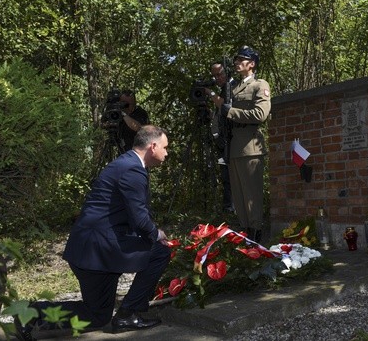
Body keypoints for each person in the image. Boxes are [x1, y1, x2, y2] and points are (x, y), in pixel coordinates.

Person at [15, 125, 171, 340]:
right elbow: (140, 218)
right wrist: (156, 234)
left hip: (92, 248)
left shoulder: (125, 162)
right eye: (165, 147)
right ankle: (128, 313)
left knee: (97, 315)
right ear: (152, 146)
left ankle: (32, 313)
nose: (167, 153)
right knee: (160, 252)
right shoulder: (133, 169)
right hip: (99, 249)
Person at [210, 46, 271, 242]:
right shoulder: (232, 87)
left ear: (251, 64)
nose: (237, 62)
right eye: (236, 60)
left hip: (250, 146)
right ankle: (245, 232)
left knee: (252, 195)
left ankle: (256, 234)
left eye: (241, 59)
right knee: (238, 195)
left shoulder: (259, 85)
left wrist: (230, 111)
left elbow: (260, 114)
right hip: (233, 146)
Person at [208, 61, 237, 213]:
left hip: (232, 140)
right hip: (221, 141)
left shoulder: (234, 86)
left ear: (227, 72)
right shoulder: (222, 89)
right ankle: (228, 207)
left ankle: (236, 208)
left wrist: (210, 93)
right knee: (225, 175)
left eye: (220, 74)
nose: (217, 78)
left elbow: (225, 106)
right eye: (214, 75)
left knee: (234, 175)